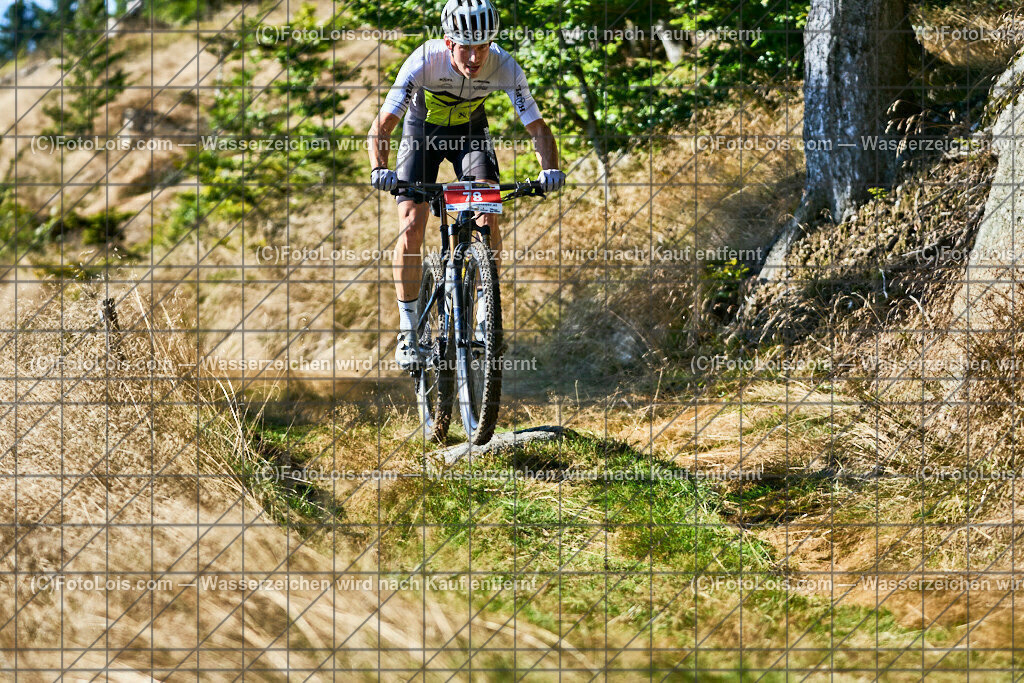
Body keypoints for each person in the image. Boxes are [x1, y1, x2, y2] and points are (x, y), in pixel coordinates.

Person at [367, 0, 565, 368]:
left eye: (483, 46)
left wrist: (550, 169)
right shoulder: (424, 61)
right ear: (448, 43)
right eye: (466, 47)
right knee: (412, 222)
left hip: (471, 135)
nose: (475, 57)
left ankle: (485, 308)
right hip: (421, 134)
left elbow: (537, 127)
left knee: (488, 208)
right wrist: (379, 168)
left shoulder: (504, 65)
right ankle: (409, 330)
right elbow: (382, 126)